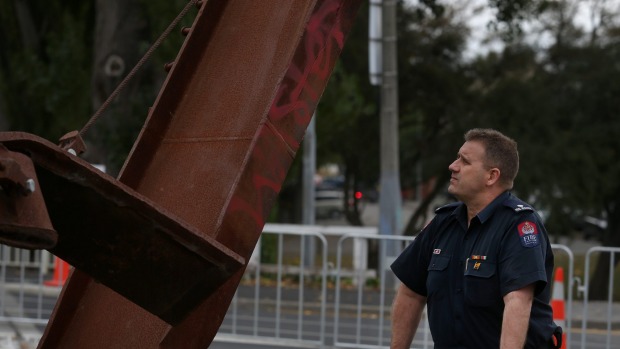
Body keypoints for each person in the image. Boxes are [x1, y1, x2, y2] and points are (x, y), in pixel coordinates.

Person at [390, 128, 560, 349]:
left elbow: (517, 302)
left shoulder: (518, 224)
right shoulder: (444, 221)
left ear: (492, 176)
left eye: (465, 161)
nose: (453, 165)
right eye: (457, 157)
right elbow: (411, 293)